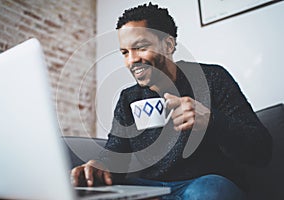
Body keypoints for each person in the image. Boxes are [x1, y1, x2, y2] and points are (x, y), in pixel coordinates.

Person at [71, 3, 272, 200]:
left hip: (203, 184)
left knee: (210, 191)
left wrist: (211, 120)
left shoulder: (212, 78)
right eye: (125, 52)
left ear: (168, 45)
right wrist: (101, 167)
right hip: (152, 189)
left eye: (140, 47)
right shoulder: (128, 99)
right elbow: (116, 152)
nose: (131, 60)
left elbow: (261, 150)